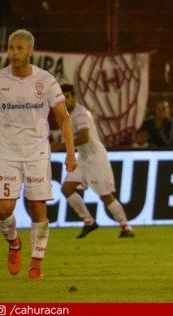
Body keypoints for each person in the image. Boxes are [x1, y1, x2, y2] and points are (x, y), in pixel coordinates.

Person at [0, 29, 77, 279]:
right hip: (7, 154)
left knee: (37, 207)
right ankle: (14, 244)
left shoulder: (46, 80)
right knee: (4, 210)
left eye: (19, 48)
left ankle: (36, 263)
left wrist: (70, 152)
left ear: (30, 51)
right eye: (11, 47)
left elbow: (63, 118)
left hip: (37, 152)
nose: (14, 53)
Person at [51, 84, 134, 239]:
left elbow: (84, 137)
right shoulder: (66, 114)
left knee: (105, 196)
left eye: (67, 96)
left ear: (74, 97)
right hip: (83, 157)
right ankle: (89, 222)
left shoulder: (81, 114)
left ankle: (126, 227)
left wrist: (61, 146)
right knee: (67, 189)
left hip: (95, 158)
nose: (64, 100)